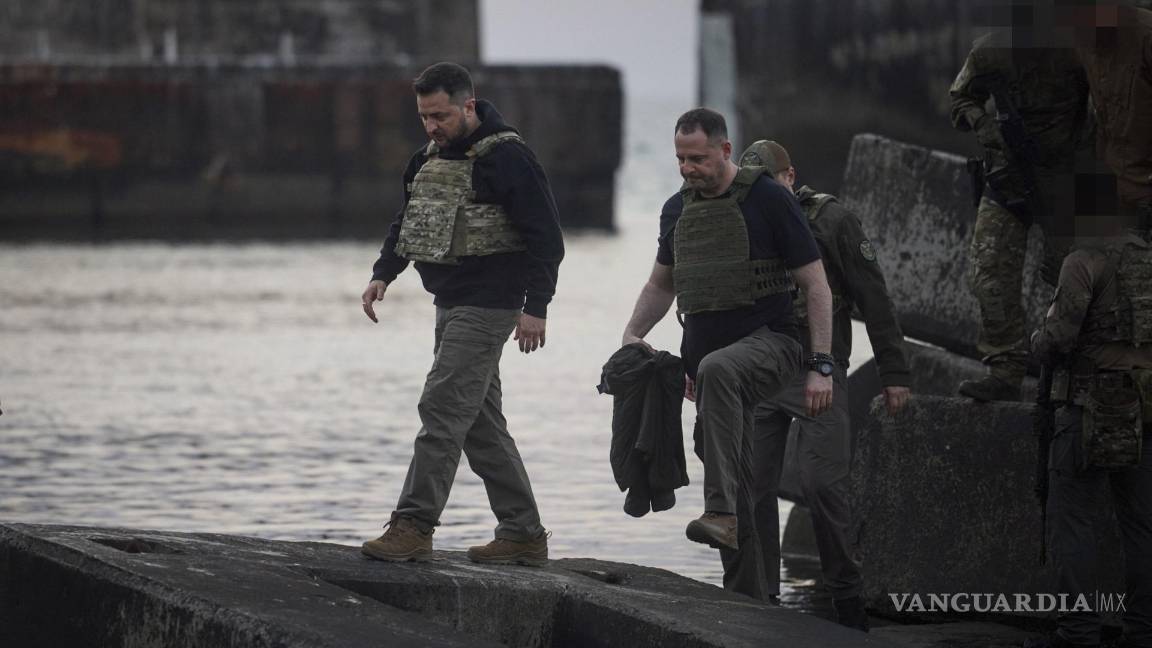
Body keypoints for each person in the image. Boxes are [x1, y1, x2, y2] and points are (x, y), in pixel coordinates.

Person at [358, 61, 564, 566]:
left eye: (441, 115)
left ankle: (413, 525)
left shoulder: (509, 159)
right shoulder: (426, 159)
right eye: (424, 117)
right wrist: (384, 272)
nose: (432, 126)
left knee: (442, 408)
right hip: (448, 302)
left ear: (468, 105)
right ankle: (523, 533)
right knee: (478, 424)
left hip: (491, 304)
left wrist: (535, 308)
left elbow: (547, 238)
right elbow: (409, 220)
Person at [619, 108, 835, 553]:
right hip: (710, 373)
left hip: (772, 344)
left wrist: (821, 366)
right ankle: (748, 603)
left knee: (718, 370)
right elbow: (661, 285)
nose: (687, 168)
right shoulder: (677, 209)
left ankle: (718, 511)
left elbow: (816, 286)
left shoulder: (770, 200)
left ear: (725, 149)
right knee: (739, 476)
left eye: (697, 158)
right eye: (680, 159)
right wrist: (632, 335)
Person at [717, 139, 911, 631]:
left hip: (820, 371)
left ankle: (846, 600)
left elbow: (875, 297)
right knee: (749, 486)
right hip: (761, 372)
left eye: (772, 183)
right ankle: (758, 602)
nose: (765, 194)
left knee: (822, 484)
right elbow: (718, 300)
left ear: (790, 177)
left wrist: (894, 374)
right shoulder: (739, 214)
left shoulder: (832, 221)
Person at [1026, 209, 1152, 648]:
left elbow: (1058, 338)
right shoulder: (1148, 259)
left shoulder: (1084, 260)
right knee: (1141, 527)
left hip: (1089, 408)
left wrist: (1034, 342)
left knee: (1075, 522)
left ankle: (1078, 631)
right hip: (1144, 410)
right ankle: (1143, 631)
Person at [949, 29, 1091, 402]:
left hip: (1064, 185)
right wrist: (983, 124)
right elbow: (960, 98)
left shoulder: (1080, 51)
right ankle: (1005, 370)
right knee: (988, 270)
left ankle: (1074, 374)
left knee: (1076, 280)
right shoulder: (990, 52)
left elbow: (1108, 111)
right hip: (1007, 182)